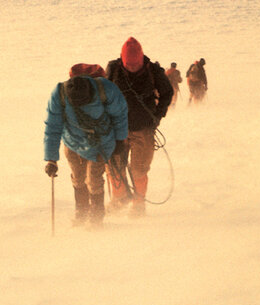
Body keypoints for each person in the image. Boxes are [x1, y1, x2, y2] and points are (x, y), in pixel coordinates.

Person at [43, 64, 129, 225]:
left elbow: (120, 115)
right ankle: (81, 212)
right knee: (78, 178)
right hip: (72, 143)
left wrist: (119, 140)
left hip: (101, 143)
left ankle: (96, 218)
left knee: (94, 180)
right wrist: (51, 159)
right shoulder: (59, 94)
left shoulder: (106, 90)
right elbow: (52, 127)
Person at [105, 37, 173, 215]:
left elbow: (167, 92)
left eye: (136, 64)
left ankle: (138, 203)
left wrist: (157, 116)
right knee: (113, 166)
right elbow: (104, 96)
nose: (133, 68)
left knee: (139, 169)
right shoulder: (113, 69)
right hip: (117, 129)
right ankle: (119, 198)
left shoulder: (154, 70)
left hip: (143, 128)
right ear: (122, 60)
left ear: (142, 59)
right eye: (130, 65)